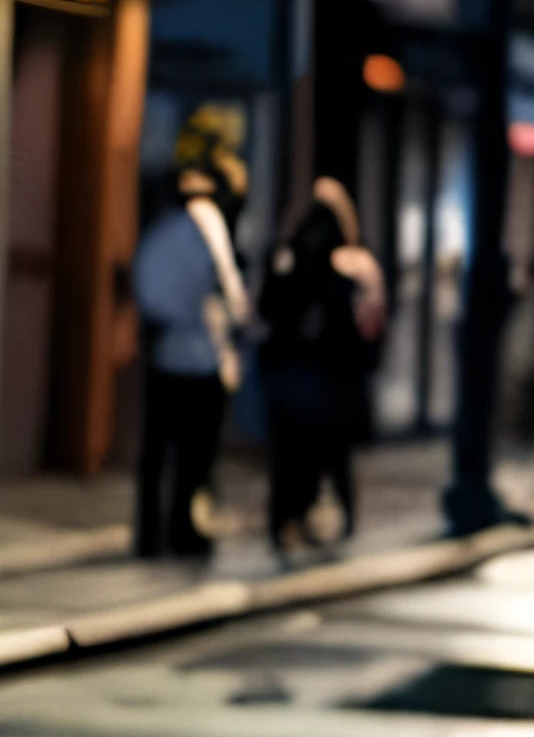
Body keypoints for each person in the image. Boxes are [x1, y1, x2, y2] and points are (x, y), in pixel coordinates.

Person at [129, 145, 248, 560]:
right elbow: (228, 287)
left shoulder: (160, 229)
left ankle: (149, 533)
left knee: (158, 449)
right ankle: (182, 529)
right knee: (193, 453)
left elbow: (145, 286)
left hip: (165, 353)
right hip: (199, 356)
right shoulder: (206, 225)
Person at [257, 177, 386, 560]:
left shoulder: (286, 255)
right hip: (331, 374)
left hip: (287, 370)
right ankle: (333, 516)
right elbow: (373, 321)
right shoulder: (353, 264)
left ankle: (285, 521)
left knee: (288, 454)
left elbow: (265, 310)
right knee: (331, 452)